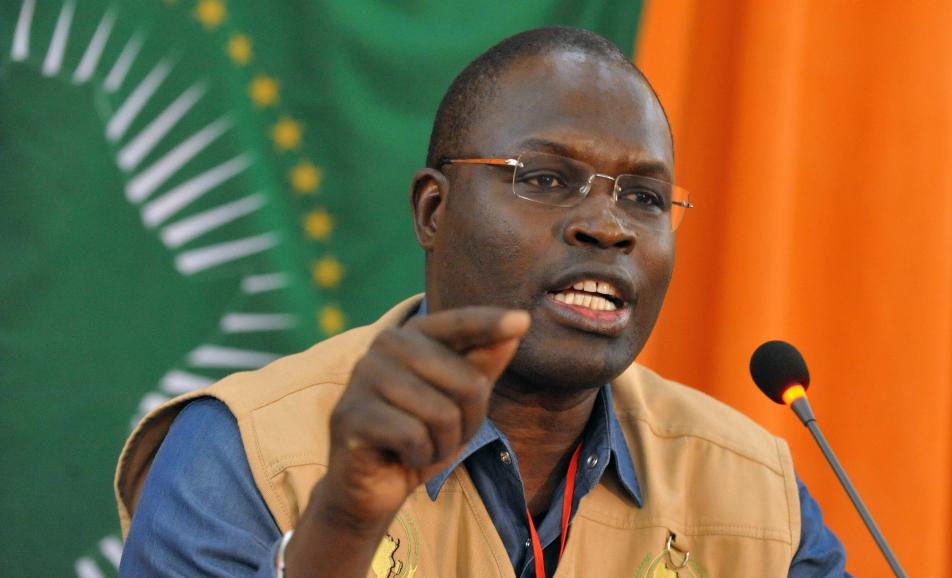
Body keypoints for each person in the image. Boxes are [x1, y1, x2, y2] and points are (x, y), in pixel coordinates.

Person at [116, 27, 848, 577]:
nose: (607, 225)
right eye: (543, 178)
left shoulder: (751, 490)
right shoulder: (244, 453)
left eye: (645, 197)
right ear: (433, 211)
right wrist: (339, 526)